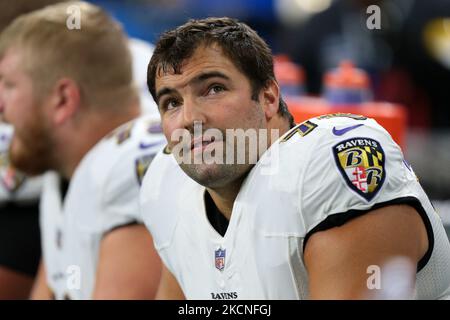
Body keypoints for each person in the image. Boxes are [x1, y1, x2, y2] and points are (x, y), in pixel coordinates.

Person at [140, 17, 450, 299]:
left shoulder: (326, 165)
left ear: (269, 97)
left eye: (213, 89)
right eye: (171, 102)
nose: (190, 119)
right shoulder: (167, 185)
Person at [0, 1, 164, 299]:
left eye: (9, 85)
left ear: (63, 99)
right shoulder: (62, 171)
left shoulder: (133, 169)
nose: (1, 104)